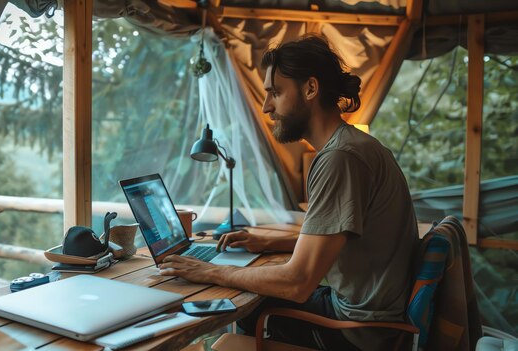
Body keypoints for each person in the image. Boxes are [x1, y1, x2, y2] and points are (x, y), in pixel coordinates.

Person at [159, 34, 419, 350]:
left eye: (275, 93)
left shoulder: (341, 158)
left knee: (251, 310)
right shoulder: (354, 147)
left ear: (310, 89)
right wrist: (271, 242)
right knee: (256, 303)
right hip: (373, 319)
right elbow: (342, 239)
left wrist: (210, 271)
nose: (267, 106)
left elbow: (297, 283)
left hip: (358, 332)